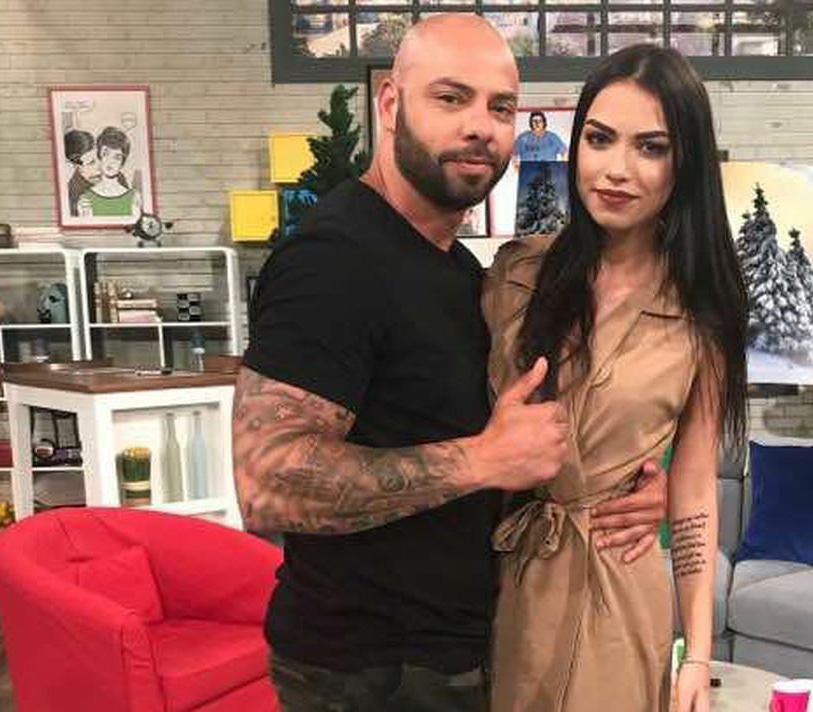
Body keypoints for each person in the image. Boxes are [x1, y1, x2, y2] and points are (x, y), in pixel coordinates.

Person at [233, 15, 669, 712]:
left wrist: (629, 492)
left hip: (457, 654)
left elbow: (496, 445)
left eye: (501, 107)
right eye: (451, 98)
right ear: (390, 104)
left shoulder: (461, 269)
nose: (480, 127)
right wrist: (481, 460)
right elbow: (268, 484)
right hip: (365, 673)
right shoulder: (333, 260)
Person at [483, 43, 749, 712]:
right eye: (599, 139)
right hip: (503, 577)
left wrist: (697, 653)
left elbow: (694, 487)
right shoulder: (516, 274)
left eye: (650, 147)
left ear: (684, 164)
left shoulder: (704, 311)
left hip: (617, 584)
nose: (617, 170)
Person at [78, 126, 141, 217]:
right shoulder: (86, 200)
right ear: (99, 156)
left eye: (117, 157)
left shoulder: (133, 198)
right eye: (106, 154)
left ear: (122, 163)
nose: (110, 161)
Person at [62, 130, 100, 217]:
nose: (100, 166)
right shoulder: (73, 195)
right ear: (75, 165)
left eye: (99, 158)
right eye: (91, 162)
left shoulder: (116, 176)